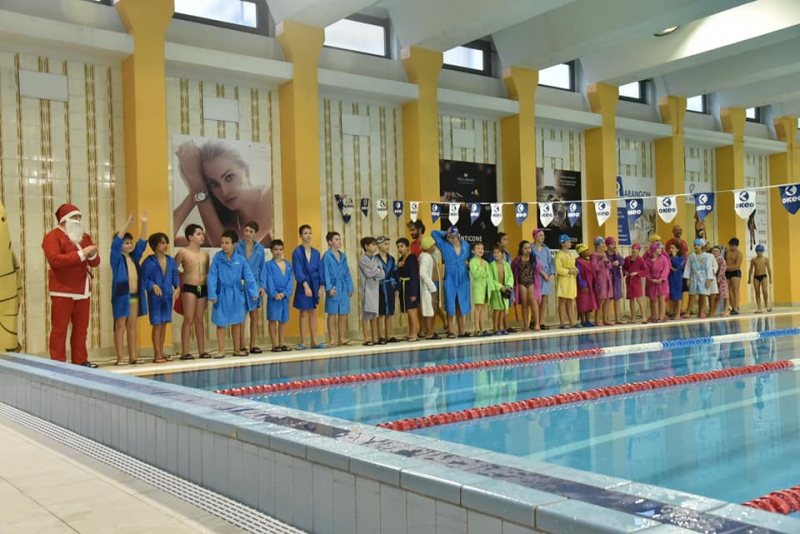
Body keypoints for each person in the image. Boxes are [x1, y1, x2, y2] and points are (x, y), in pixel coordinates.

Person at [173, 139, 271, 247]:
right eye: (213, 184)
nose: (224, 191)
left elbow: (229, 249)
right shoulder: (228, 223)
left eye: (229, 177)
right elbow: (167, 239)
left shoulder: (270, 196)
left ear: (245, 169)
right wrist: (195, 188)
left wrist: (197, 183)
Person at [41, 203, 101, 367]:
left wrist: (92, 255)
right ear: (64, 220)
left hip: (83, 289)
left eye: (80, 217)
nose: (78, 220)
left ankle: (80, 360)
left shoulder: (85, 237)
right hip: (62, 290)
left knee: (81, 328)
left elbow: (95, 262)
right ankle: (58, 362)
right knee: (59, 329)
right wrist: (82, 254)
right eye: (75, 217)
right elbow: (55, 260)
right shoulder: (52, 237)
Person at [208, 230, 259, 358]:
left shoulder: (240, 260)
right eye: (222, 243)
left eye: (227, 243)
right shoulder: (217, 258)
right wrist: (212, 293)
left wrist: (253, 291)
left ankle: (237, 349)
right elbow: (212, 276)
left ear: (234, 244)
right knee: (221, 322)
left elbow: (249, 276)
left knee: (237, 322)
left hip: (237, 293)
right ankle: (221, 350)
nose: (224, 245)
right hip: (222, 293)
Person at [110, 211, 148, 365]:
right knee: (120, 326)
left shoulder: (133, 257)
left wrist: (144, 224)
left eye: (130, 242)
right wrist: (128, 224)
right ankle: (120, 357)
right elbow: (116, 243)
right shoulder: (116, 258)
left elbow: (142, 243)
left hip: (134, 296)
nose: (130, 245)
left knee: (132, 325)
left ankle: (133, 356)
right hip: (121, 295)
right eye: (126, 243)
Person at [141, 232, 180, 363]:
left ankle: (161, 351)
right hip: (155, 297)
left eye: (166, 242)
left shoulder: (171, 261)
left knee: (164, 324)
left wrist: (178, 288)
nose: (165, 245)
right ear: (155, 245)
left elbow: (175, 276)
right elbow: (144, 279)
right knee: (157, 324)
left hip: (167, 296)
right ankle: (157, 353)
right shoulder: (148, 262)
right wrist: (152, 285)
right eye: (162, 243)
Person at [175, 224, 210, 360]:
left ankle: (202, 350)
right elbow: (173, 269)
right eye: (198, 234)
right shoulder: (183, 252)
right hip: (189, 287)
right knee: (188, 318)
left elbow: (207, 272)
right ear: (190, 237)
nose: (202, 236)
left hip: (202, 287)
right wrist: (180, 281)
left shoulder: (205, 254)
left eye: (202, 234)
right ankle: (185, 352)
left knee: (199, 319)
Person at [431, 226, 472, 338]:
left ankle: (462, 331)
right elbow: (433, 233)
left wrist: (469, 265)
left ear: (458, 236)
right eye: (449, 237)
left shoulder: (466, 245)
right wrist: (446, 233)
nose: (451, 239)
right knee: (450, 304)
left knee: (461, 305)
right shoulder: (444, 245)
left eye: (453, 237)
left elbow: (471, 259)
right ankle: (450, 331)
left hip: (463, 278)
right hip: (450, 277)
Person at [235, 221, 267, 354]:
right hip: (241, 283)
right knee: (241, 316)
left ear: (255, 234)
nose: (248, 233)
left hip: (255, 284)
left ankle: (253, 344)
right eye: (246, 230)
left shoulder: (260, 249)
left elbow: (262, 268)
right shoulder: (237, 246)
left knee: (254, 316)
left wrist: (262, 286)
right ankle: (241, 345)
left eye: (251, 231)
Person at [292, 224, 325, 349]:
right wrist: (305, 285)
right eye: (305, 233)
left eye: (310, 233)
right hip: (303, 284)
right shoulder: (297, 252)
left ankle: (314, 341)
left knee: (313, 312)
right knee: (304, 312)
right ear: (300, 236)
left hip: (315, 283)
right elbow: (298, 270)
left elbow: (320, 270)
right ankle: (302, 342)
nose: (308, 235)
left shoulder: (316, 253)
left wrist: (320, 286)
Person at [321, 231, 353, 347]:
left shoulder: (343, 256)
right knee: (332, 313)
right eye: (336, 239)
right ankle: (331, 339)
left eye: (339, 239)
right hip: (333, 287)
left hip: (343, 287)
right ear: (330, 242)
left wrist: (350, 287)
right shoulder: (327, 256)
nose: (339, 241)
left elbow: (347, 273)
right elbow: (326, 274)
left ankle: (342, 338)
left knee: (343, 313)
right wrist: (329, 288)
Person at [265, 239, 293, 352]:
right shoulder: (268, 265)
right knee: (273, 319)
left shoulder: (288, 265)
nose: (278, 252)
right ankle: (275, 344)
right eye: (276, 249)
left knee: (283, 320)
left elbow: (290, 280)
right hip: (274, 296)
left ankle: (282, 343)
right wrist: (274, 293)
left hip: (284, 296)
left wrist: (285, 293)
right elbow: (268, 280)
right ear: (271, 251)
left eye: (280, 249)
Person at [358, 237, 384, 346]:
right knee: (366, 314)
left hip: (375, 288)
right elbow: (368, 274)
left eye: (375, 245)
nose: (375, 247)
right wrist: (376, 270)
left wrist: (375, 271)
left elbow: (382, 274)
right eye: (372, 245)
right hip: (367, 289)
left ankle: (375, 338)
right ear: (366, 246)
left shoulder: (376, 259)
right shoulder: (362, 259)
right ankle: (366, 338)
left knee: (374, 314)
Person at [511, 240, 542, 332]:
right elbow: (512, 272)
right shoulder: (517, 261)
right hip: (521, 283)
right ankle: (526, 325)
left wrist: (535, 259)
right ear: (521, 249)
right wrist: (513, 285)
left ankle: (537, 323)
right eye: (525, 248)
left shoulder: (534, 259)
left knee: (533, 302)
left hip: (532, 282)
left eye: (529, 248)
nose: (528, 250)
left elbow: (539, 269)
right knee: (524, 303)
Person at [683, 239, 716, 319]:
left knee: (703, 294)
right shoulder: (691, 256)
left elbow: (709, 268)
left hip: (703, 277)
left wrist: (709, 279)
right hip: (694, 276)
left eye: (698, 245)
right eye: (695, 245)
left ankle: (701, 312)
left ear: (702, 246)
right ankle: (688, 311)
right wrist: (687, 278)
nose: (696, 246)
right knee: (691, 294)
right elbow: (688, 267)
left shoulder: (707, 256)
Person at [395, 238, 420, 341]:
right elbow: (398, 275)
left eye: (402, 246)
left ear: (407, 247)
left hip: (410, 285)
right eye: (398, 247)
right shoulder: (400, 259)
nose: (399, 249)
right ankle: (410, 332)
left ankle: (415, 333)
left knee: (412, 310)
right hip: (403, 286)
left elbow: (414, 275)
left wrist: (414, 293)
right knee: (407, 311)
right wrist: (398, 267)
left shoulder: (412, 258)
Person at [376, 236, 398, 343]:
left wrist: (396, 288)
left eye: (388, 244)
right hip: (379, 287)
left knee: (389, 313)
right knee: (380, 313)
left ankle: (388, 336)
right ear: (379, 245)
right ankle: (380, 336)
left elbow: (396, 274)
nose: (387, 246)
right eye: (385, 244)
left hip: (390, 287)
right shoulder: (375, 259)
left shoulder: (391, 259)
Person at [531, 228, 554, 329]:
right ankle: (533, 320)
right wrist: (542, 273)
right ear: (535, 237)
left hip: (546, 277)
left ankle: (541, 322)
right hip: (536, 276)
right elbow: (533, 263)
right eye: (540, 235)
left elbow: (551, 262)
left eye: (543, 235)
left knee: (544, 299)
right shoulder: (531, 249)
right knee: (536, 300)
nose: (542, 237)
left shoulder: (546, 249)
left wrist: (552, 273)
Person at [488, 245, 514, 335]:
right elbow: (491, 279)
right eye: (494, 253)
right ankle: (495, 328)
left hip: (505, 289)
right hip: (496, 290)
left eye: (498, 252)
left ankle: (501, 327)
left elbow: (510, 276)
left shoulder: (506, 264)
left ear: (502, 254)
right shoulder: (491, 265)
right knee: (497, 310)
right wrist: (500, 287)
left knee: (503, 309)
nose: (496, 254)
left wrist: (508, 285)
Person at [418, 236, 440, 340]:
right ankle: (429, 333)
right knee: (429, 311)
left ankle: (430, 332)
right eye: (433, 245)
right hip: (426, 288)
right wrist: (432, 288)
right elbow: (422, 273)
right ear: (429, 247)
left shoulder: (424, 256)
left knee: (429, 310)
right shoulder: (426, 257)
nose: (434, 247)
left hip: (426, 287)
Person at [554, 234, 577, 329]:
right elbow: (558, 268)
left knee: (571, 300)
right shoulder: (559, 255)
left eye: (569, 241)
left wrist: (575, 270)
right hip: (563, 280)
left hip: (571, 280)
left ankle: (572, 322)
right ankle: (562, 323)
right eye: (568, 242)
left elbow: (573, 266)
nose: (570, 243)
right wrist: (568, 271)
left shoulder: (571, 254)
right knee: (562, 301)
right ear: (562, 243)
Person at [469, 241, 491, 336]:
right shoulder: (473, 261)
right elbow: (476, 274)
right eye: (478, 248)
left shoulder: (485, 262)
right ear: (473, 251)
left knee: (483, 309)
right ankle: (477, 329)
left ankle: (483, 328)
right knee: (478, 308)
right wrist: (482, 267)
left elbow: (489, 276)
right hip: (478, 287)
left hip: (485, 287)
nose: (480, 250)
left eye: (482, 248)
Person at [591, 237, 613, 326]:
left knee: (607, 299)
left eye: (604, 243)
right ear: (597, 245)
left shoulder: (604, 254)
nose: (604, 245)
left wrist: (607, 262)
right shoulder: (594, 255)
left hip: (607, 277)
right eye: (602, 243)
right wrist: (601, 262)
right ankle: (597, 319)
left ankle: (605, 319)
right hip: (600, 278)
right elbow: (594, 267)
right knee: (601, 299)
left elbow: (610, 266)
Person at [646, 243, 669, 322]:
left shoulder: (664, 259)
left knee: (662, 298)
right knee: (653, 299)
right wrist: (651, 279)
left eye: (660, 248)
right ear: (653, 250)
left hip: (662, 282)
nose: (660, 250)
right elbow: (647, 272)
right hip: (652, 282)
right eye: (658, 248)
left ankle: (662, 316)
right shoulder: (648, 261)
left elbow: (666, 269)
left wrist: (661, 278)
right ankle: (654, 316)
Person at [575, 244, 597, 327]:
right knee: (582, 303)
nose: (588, 252)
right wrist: (582, 285)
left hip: (590, 284)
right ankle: (583, 321)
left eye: (588, 250)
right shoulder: (579, 262)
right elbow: (579, 274)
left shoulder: (589, 261)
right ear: (581, 253)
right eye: (586, 251)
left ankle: (588, 320)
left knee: (589, 303)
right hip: (583, 285)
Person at [623, 243, 646, 323]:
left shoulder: (640, 260)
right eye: (633, 248)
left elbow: (645, 271)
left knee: (639, 298)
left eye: (636, 249)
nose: (634, 250)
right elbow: (624, 268)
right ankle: (633, 317)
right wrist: (625, 272)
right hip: (629, 281)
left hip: (636, 281)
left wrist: (637, 273)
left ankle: (644, 316)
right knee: (631, 299)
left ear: (639, 250)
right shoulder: (627, 259)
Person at [748, 244, 772, 313]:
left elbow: (769, 269)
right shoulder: (753, 259)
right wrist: (749, 278)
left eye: (760, 251)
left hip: (764, 276)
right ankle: (759, 307)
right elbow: (750, 269)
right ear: (756, 252)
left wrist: (770, 278)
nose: (759, 253)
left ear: (763, 251)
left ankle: (766, 305)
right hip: (756, 277)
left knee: (765, 291)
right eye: (758, 251)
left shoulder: (765, 259)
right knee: (757, 292)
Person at [605, 237, 624, 324]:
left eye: (615, 244)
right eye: (612, 244)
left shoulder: (617, 254)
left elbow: (622, 261)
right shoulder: (604, 255)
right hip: (608, 278)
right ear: (608, 245)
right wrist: (611, 264)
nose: (614, 245)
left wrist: (618, 261)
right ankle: (606, 318)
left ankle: (617, 318)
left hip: (616, 278)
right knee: (608, 299)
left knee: (617, 298)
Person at [724, 237, 743, 315]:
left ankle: (736, 307)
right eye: (730, 245)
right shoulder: (727, 252)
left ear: (736, 246)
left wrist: (726, 268)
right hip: (727, 272)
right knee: (727, 291)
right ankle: (732, 307)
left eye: (733, 246)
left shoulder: (739, 254)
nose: (731, 247)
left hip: (735, 272)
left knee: (735, 290)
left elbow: (737, 266)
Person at [667, 243, 685, 320]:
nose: (671, 249)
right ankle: (673, 313)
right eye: (670, 248)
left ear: (677, 249)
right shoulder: (668, 257)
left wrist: (674, 257)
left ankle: (678, 313)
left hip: (678, 279)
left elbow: (678, 265)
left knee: (678, 297)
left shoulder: (681, 257)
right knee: (672, 297)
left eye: (673, 248)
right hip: (670, 278)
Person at [710, 246, 730, 318]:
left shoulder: (721, 260)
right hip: (714, 280)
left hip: (722, 280)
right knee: (717, 296)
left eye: (716, 251)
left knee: (725, 296)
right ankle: (714, 311)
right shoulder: (712, 260)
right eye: (713, 251)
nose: (714, 253)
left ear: (719, 253)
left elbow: (722, 270)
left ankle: (726, 311)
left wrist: (718, 279)